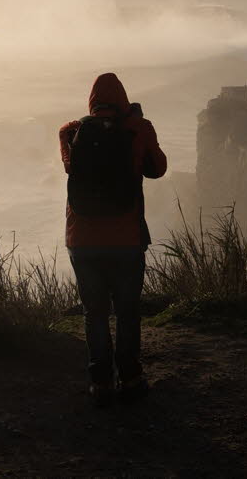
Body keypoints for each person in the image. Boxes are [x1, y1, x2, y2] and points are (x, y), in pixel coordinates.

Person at [59, 73, 166, 408]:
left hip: (83, 239)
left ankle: (101, 382)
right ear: (122, 101)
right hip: (127, 238)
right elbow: (157, 168)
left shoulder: (71, 132)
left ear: (92, 101)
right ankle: (132, 378)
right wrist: (135, 121)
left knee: (95, 313)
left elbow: (68, 167)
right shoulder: (139, 129)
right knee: (128, 311)